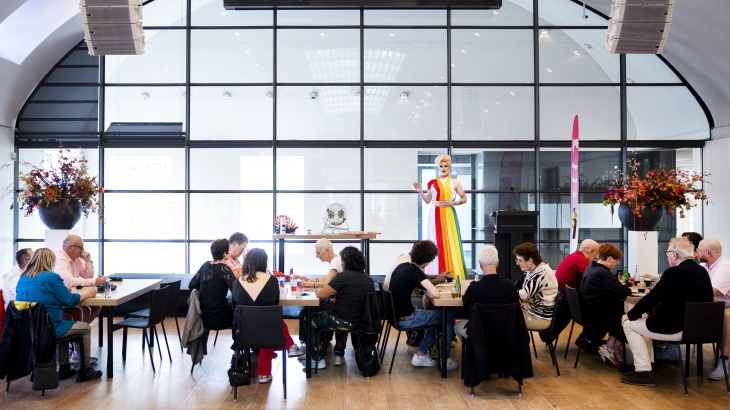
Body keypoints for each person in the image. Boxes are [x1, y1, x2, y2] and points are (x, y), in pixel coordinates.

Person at [621, 237, 713, 387]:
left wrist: (629, 315)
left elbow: (652, 297)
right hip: (699, 329)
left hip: (677, 328)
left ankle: (644, 372)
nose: (667, 256)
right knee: (645, 324)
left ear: (674, 255)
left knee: (630, 325)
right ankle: (647, 366)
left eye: (668, 253)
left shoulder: (674, 272)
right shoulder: (702, 271)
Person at [14, 248, 102, 382]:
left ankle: (64, 367)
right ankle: (85, 369)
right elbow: (70, 301)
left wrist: (58, 293)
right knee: (84, 328)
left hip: (28, 330)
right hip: (48, 328)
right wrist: (88, 294)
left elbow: (40, 298)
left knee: (64, 322)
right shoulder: (51, 277)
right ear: (51, 261)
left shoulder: (23, 279)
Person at [231, 248, 304, 384]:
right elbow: (274, 305)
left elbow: (235, 307)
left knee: (265, 322)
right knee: (270, 322)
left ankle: (247, 366)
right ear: (264, 262)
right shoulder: (271, 280)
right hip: (267, 332)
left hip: (242, 332)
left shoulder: (237, 282)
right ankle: (264, 374)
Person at [388, 240, 459, 370]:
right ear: (427, 262)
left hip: (396, 317)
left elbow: (427, 286)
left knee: (439, 320)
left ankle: (421, 355)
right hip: (408, 318)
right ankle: (444, 359)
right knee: (448, 317)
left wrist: (427, 292)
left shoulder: (402, 266)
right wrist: (429, 291)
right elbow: (436, 294)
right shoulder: (415, 271)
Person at [309, 246, 375, 369]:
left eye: (342, 261)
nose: (341, 263)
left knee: (311, 319)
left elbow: (323, 294)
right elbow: (354, 297)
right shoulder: (368, 279)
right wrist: (338, 299)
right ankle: (338, 356)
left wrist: (318, 291)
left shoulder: (344, 276)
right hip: (361, 322)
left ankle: (317, 359)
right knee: (341, 315)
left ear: (345, 262)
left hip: (344, 321)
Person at [414, 154, 468, 280]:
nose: (443, 168)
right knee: (435, 241)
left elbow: (464, 198)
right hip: (434, 213)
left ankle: (452, 274)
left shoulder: (455, 182)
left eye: (446, 166)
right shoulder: (432, 183)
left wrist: (452, 203)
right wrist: (420, 191)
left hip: (448, 213)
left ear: (449, 168)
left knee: (450, 241)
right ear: (438, 168)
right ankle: (436, 275)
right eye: (441, 166)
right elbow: (428, 201)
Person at [55, 235, 106, 365]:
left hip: (71, 295)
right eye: (80, 247)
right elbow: (68, 280)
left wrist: (88, 261)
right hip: (60, 300)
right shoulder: (60, 258)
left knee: (96, 307)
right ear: (70, 248)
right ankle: (77, 347)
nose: (83, 250)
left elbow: (87, 276)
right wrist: (95, 281)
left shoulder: (77, 259)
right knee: (76, 312)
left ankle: (77, 337)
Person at [579, 243, 631, 367]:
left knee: (620, 311)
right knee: (628, 317)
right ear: (609, 258)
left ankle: (613, 350)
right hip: (595, 315)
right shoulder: (603, 273)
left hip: (586, 311)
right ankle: (611, 349)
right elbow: (625, 291)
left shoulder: (591, 268)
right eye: (616, 260)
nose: (616, 263)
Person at [454, 245, 519, 342]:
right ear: (497, 263)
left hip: (480, 333)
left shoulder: (474, 287)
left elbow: (464, 304)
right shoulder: (511, 286)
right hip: (507, 333)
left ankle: (478, 353)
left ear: (479, 264)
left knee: (457, 326)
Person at [545, 239, 599, 342]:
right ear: (591, 251)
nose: (596, 257)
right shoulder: (581, 260)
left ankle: (586, 341)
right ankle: (588, 341)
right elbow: (592, 280)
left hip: (564, 300)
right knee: (602, 313)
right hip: (571, 304)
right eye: (596, 253)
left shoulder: (572, 256)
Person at [698, 238, 730, 380]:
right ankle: (672, 347)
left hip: (726, 305)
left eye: (699, 249)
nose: (696, 252)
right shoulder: (705, 266)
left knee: (726, 317)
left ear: (708, 253)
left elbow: (712, 291)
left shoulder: (725, 266)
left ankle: (724, 363)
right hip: (712, 305)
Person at [189, 239, 239, 331]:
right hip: (220, 317)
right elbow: (236, 292)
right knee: (239, 312)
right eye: (229, 250)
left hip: (203, 317)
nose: (231, 252)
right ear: (224, 253)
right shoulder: (224, 269)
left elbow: (191, 285)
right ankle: (237, 344)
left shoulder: (205, 265)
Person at [513, 242, 558, 331]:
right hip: (529, 312)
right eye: (517, 260)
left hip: (538, 318)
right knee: (504, 314)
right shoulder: (531, 270)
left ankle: (517, 344)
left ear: (530, 260)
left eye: (520, 260)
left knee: (504, 318)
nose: (517, 263)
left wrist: (504, 291)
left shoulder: (541, 273)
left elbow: (523, 295)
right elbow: (516, 286)